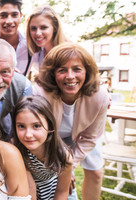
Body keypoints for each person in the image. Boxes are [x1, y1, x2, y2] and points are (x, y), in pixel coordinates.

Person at [33, 42, 110, 199]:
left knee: (95, 172)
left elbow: (90, 138)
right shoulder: (40, 94)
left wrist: (69, 168)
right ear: (53, 73)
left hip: (81, 135)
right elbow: (39, 134)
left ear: (86, 72)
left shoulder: (99, 96)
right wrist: (60, 169)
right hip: (50, 139)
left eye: (77, 69)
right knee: (54, 182)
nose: (70, 76)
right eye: (62, 70)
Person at [13, 95, 73, 200]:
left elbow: (62, 192)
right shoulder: (17, 154)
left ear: (49, 125)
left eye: (36, 126)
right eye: (21, 126)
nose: (28, 134)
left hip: (53, 192)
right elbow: (31, 189)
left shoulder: (63, 156)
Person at [25, 5, 68, 77]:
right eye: (33, 28)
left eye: (43, 27)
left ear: (55, 28)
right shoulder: (38, 53)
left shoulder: (68, 53)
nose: (38, 33)